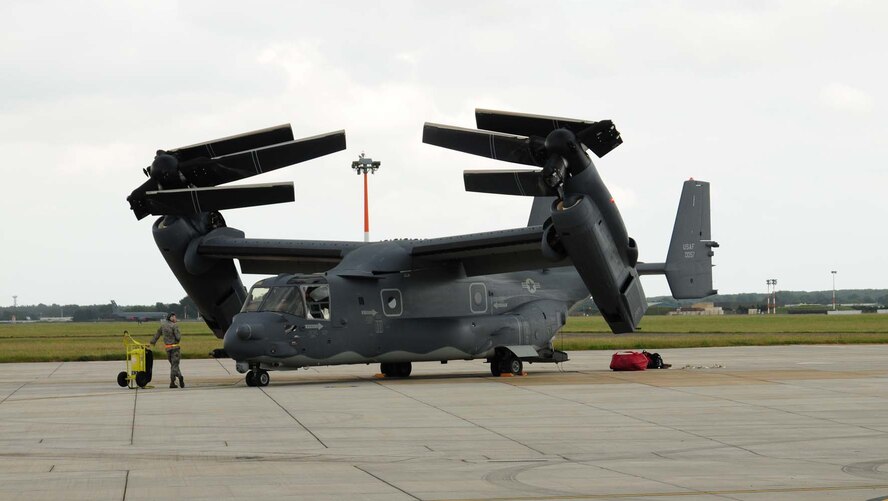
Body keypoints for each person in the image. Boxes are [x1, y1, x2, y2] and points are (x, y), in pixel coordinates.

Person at [151, 313, 184, 388]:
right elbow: (178, 337)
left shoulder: (163, 325)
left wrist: (153, 342)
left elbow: (157, 334)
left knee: (173, 365)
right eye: (175, 317)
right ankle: (173, 382)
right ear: (171, 318)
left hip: (168, 349)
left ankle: (180, 376)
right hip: (175, 348)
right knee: (174, 366)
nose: (176, 318)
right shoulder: (174, 326)